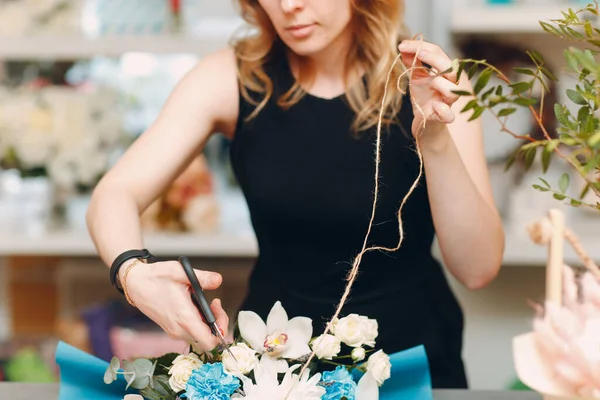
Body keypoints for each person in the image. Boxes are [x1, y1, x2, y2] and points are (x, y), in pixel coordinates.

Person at [86, 0, 505, 389]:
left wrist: (435, 141)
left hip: (409, 363)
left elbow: (477, 268)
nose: (288, 6)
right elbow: (116, 192)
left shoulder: (432, 79)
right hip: (276, 363)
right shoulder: (231, 77)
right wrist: (132, 272)